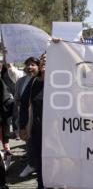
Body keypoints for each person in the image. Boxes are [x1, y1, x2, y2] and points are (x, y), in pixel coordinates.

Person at [19, 53, 46, 189]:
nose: (46, 62)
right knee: (42, 163)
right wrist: (22, 127)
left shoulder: (64, 81)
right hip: (38, 132)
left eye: (51, 59)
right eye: (43, 60)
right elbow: (23, 105)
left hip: (60, 133)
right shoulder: (34, 82)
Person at [15, 57, 40, 177]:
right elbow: (17, 99)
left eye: (33, 65)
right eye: (28, 65)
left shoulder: (43, 80)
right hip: (26, 115)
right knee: (28, 141)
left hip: (39, 117)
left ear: (38, 67)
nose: (30, 67)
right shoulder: (21, 81)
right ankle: (31, 164)